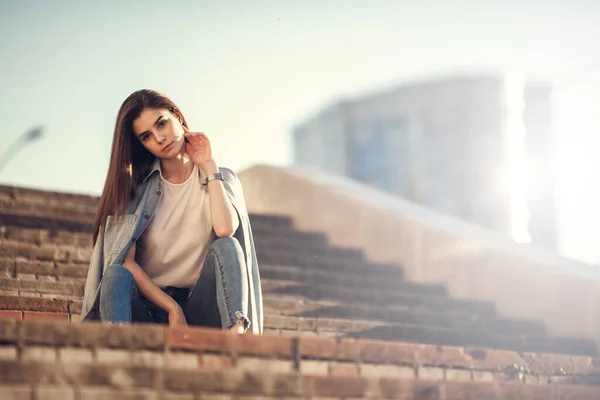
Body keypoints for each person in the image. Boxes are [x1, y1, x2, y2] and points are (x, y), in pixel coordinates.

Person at [80, 89, 263, 334]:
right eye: (146, 136)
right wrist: (172, 309)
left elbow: (224, 229)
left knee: (228, 246)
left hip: (202, 306)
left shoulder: (220, 177)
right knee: (115, 274)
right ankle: (118, 352)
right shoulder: (134, 190)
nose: (159, 138)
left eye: (162, 124)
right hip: (150, 306)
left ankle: (236, 339)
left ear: (177, 115)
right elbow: (127, 262)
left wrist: (209, 166)